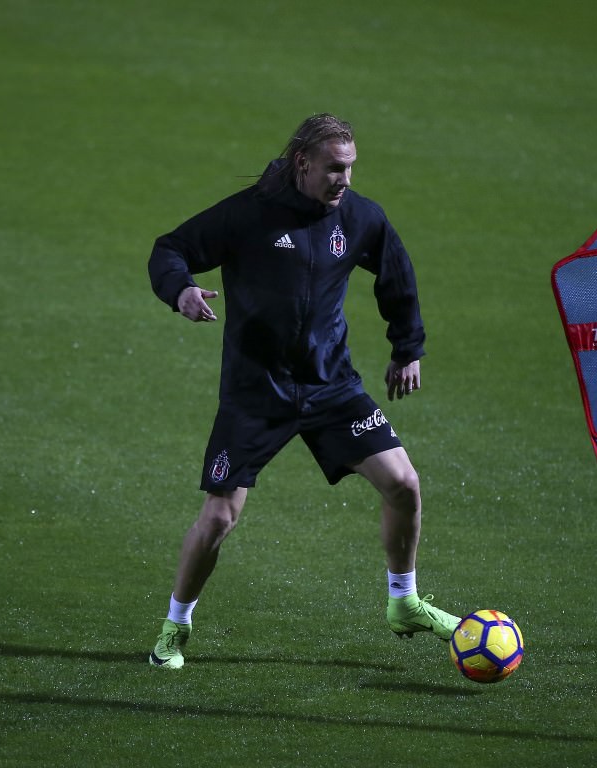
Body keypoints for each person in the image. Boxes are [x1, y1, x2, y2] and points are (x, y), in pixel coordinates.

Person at [146, 113, 460, 669]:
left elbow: (396, 274)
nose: (345, 180)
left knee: (404, 484)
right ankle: (175, 627)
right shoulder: (248, 215)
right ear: (303, 163)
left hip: (330, 386)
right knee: (218, 518)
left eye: (351, 167)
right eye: (335, 168)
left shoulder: (359, 217)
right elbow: (169, 249)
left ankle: (404, 601)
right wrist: (182, 292)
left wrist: (406, 348)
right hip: (256, 393)